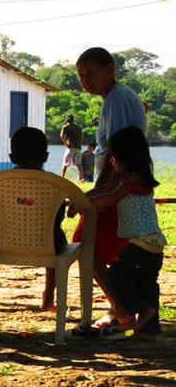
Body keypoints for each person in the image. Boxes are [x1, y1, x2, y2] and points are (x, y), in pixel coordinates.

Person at [72, 46, 147, 330]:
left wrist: (98, 192)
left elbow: (115, 150)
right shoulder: (115, 98)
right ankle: (121, 308)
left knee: (85, 247)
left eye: (90, 73)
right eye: (81, 76)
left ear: (109, 69)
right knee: (102, 252)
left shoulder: (117, 99)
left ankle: (122, 309)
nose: (85, 80)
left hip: (118, 186)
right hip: (121, 184)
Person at [78, 126, 165, 337]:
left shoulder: (129, 184)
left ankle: (143, 309)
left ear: (125, 159)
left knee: (117, 275)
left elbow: (108, 199)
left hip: (140, 244)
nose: (110, 161)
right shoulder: (139, 179)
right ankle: (150, 326)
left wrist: (84, 202)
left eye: (113, 157)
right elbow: (108, 192)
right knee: (146, 282)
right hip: (153, 245)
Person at [6, 126, 67, 312]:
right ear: (46, 157)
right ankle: (49, 297)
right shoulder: (55, 185)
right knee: (55, 241)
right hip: (49, 242)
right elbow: (59, 216)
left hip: (8, 241)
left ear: (11, 157)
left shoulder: (3, 182)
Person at [60, 114, 83, 179]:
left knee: (65, 164)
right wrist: (79, 144)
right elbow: (81, 137)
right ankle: (81, 178)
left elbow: (61, 136)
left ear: (66, 120)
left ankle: (62, 178)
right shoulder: (78, 128)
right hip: (78, 147)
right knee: (79, 164)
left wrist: (66, 144)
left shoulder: (65, 127)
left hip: (70, 147)